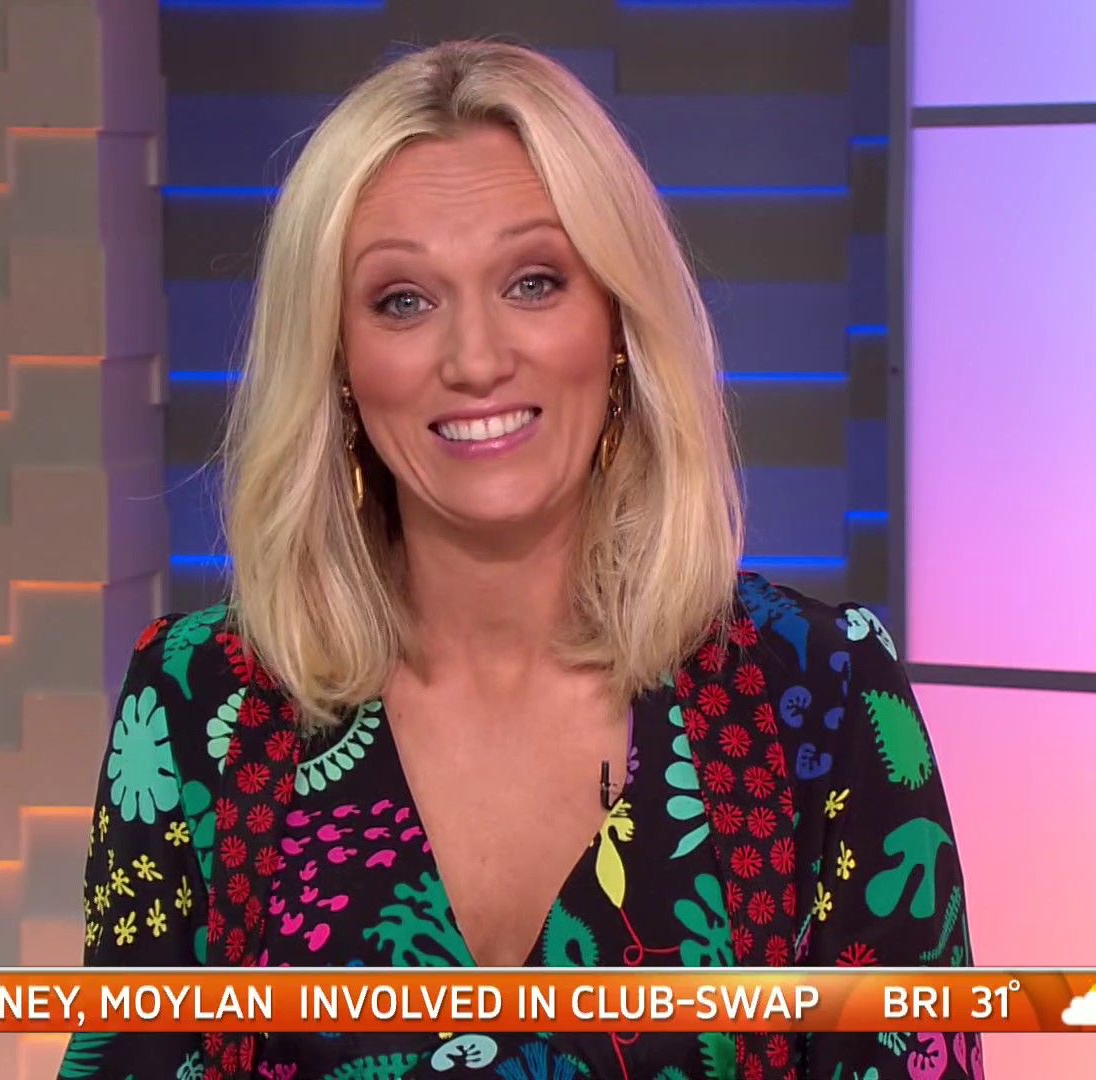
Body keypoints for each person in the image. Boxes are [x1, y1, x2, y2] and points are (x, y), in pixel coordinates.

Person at [59, 39, 980, 1080]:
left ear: (618, 325)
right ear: (340, 363)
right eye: (403, 300)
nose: (477, 359)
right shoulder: (195, 708)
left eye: (534, 282)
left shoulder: (821, 696)